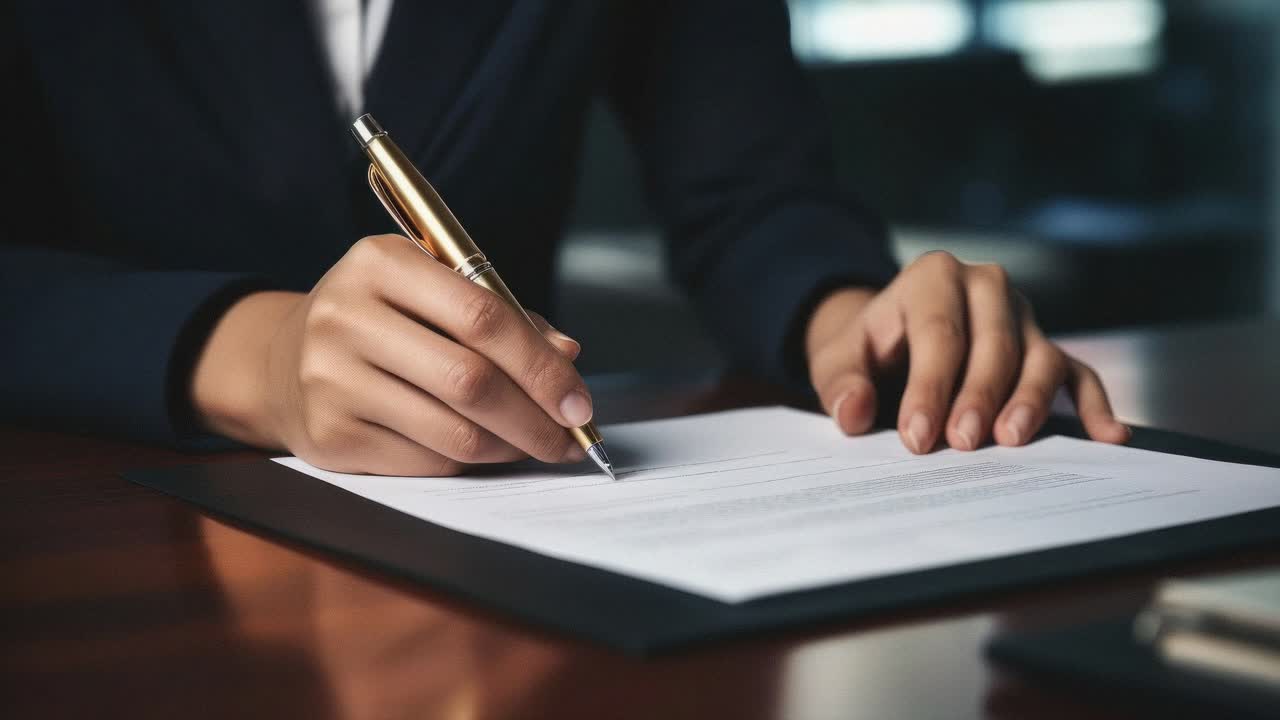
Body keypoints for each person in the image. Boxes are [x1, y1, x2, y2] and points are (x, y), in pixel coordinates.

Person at [0, 1, 1129, 476]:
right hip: (97, 556)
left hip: (507, 549)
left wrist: (853, 318)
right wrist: (248, 356)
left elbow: (748, 189)